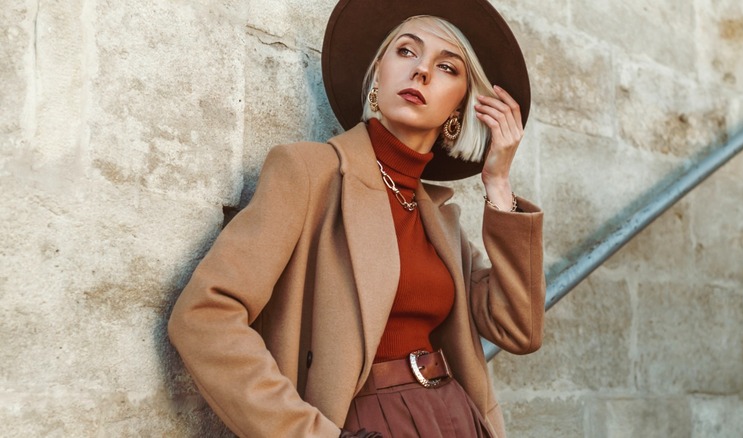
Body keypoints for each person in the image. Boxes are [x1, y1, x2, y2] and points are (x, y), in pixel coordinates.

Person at [168, 0, 545, 436]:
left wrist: (497, 183)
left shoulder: (440, 221)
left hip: (456, 417)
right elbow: (204, 315)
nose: (421, 71)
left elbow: (519, 330)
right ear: (376, 75)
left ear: (461, 109)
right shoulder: (308, 172)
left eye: (447, 67)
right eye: (406, 51)